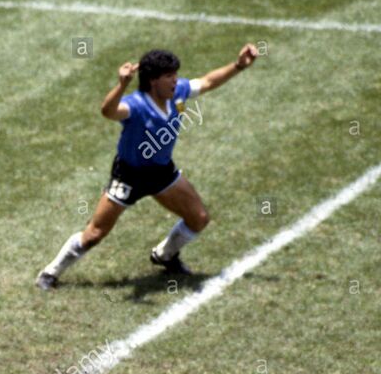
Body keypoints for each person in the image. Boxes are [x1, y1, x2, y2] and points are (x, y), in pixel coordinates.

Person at [35, 44, 258, 290]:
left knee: (199, 219)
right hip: (128, 177)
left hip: (161, 172)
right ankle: (50, 273)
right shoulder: (135, 105)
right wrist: (121, 85)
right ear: (153, 81)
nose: (175, 80)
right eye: (169, 76)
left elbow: (206, 82)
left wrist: (238, 66)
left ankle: (164, 255)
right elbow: (108, 111)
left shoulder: (178, 93)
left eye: (175, 74)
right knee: (94, 234)